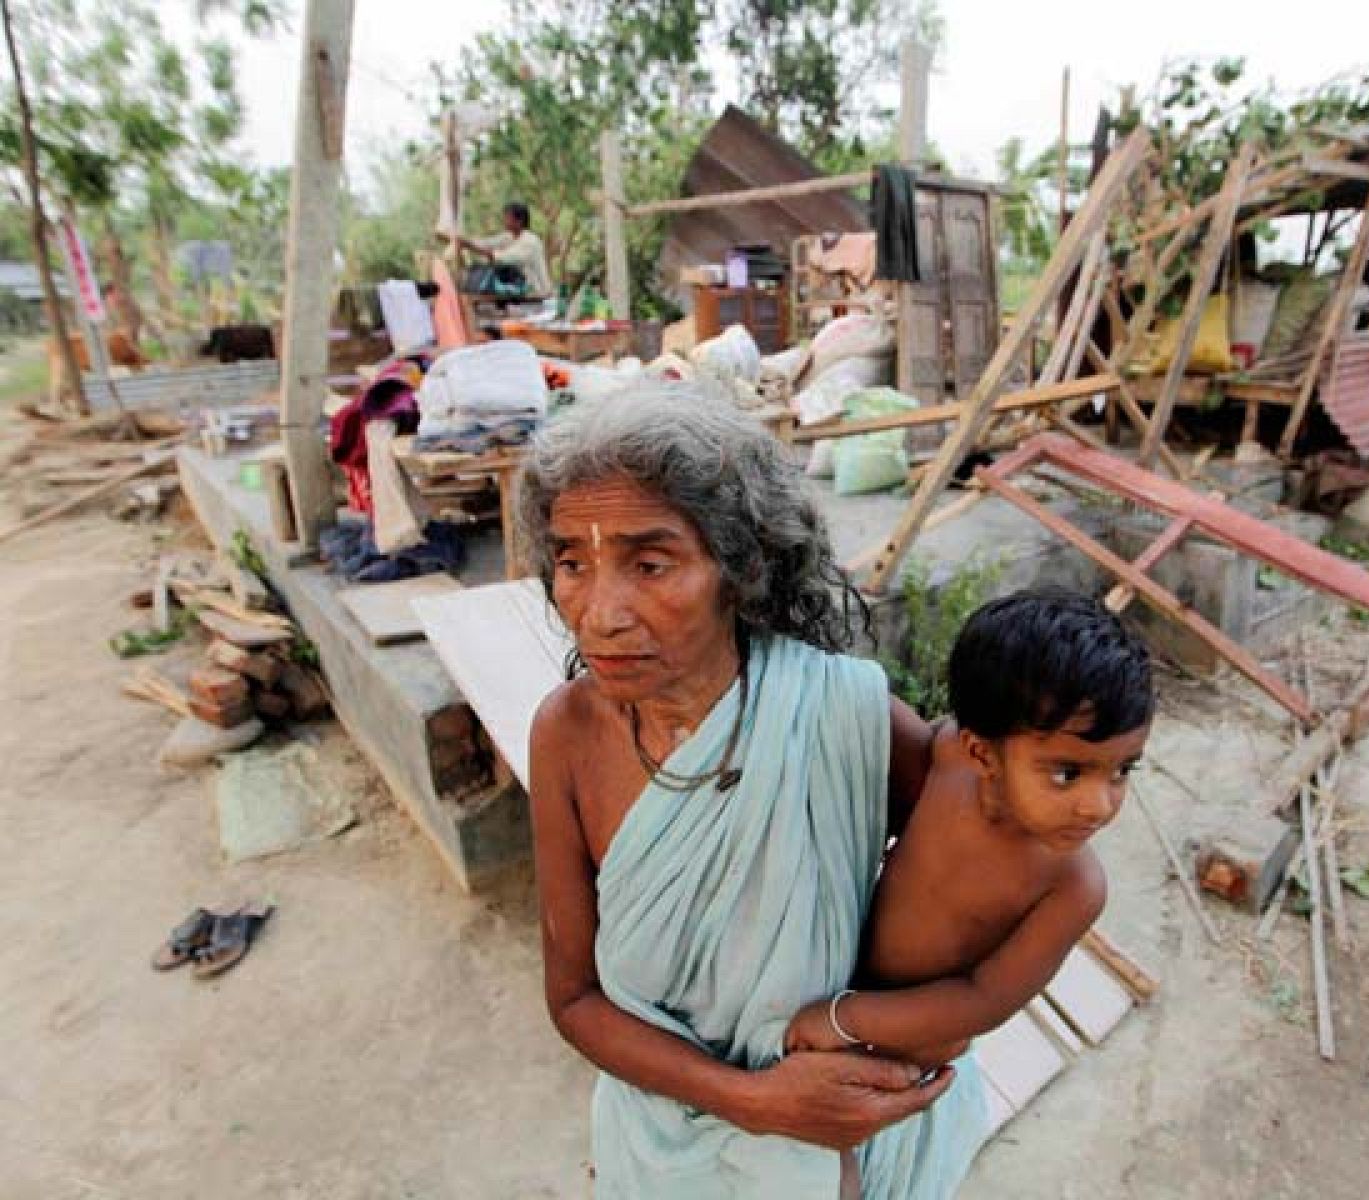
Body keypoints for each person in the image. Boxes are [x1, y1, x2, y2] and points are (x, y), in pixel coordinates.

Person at [520, 385, 986, 1199]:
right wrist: (752, 1101)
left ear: (742, 567)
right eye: (571, 563)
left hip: (839, 1139)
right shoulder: (567, 736)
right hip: (664, 1134)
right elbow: (574, 999)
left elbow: (1002, 849)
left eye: (650, 563)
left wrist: (898, 1034)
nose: (600, 615)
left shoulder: (842, 712)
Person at [785, 590, 1153, 1071]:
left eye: (1123, 770)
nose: (1099, 805)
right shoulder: (948, 756)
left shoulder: (1071, 887)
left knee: (850, 1131)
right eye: (1067, 774)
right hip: (834, 964)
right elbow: (867, 714)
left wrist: (846, 1019)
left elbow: (983, 999)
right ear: (981, 754)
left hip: (905, 1041)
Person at [458, 201, 553, 299]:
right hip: (520, 292)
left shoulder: (530, 241)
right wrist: (465, 242)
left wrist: (470, 246)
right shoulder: (508, 237)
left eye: (508, 218)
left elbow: (502, 258)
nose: (504, 221)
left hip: (538, 295)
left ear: (519, 221)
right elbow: (486, 243)